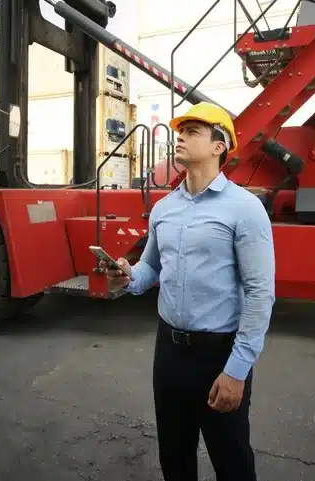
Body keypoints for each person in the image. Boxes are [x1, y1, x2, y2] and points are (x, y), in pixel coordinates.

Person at [107, 101, 276, 481]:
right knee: (174, 454)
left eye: (193, 132)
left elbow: (260, 292)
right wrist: (127, 276)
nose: (179, 138)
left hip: (218, 353)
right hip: (168, 351)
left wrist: (236, 370)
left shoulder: (245, 209)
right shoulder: (164, 208)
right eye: (179, 132)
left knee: (230, 458)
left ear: (220, 147)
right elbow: (151, 267)